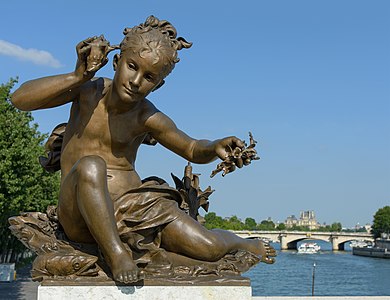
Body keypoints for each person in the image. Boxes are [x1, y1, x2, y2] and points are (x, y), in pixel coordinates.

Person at [11, 16, 275, 283]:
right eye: (132, 67)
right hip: (79, 213)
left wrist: (215, 145)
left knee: (208, 248)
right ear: (116, 63)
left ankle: (243, 242)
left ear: (158, 85)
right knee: (92, 165)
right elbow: (19, 99)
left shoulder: (147, 117)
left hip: (135, 208)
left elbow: (192, 148)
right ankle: (116, 254)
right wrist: (78, 75)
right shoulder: (87, 92)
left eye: (148, 77)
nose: (136, 81)